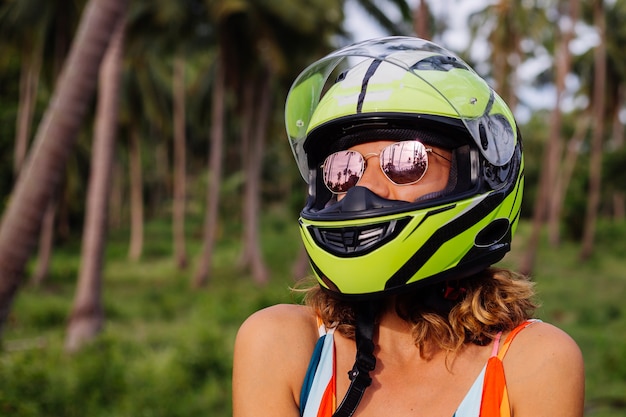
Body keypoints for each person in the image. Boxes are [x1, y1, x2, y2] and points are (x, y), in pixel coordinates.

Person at [233, 36, 584, 417]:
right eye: (343, 169)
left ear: (474, 174)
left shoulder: (535, 361)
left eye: (405, 161)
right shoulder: (284, 344)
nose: (363, 189)